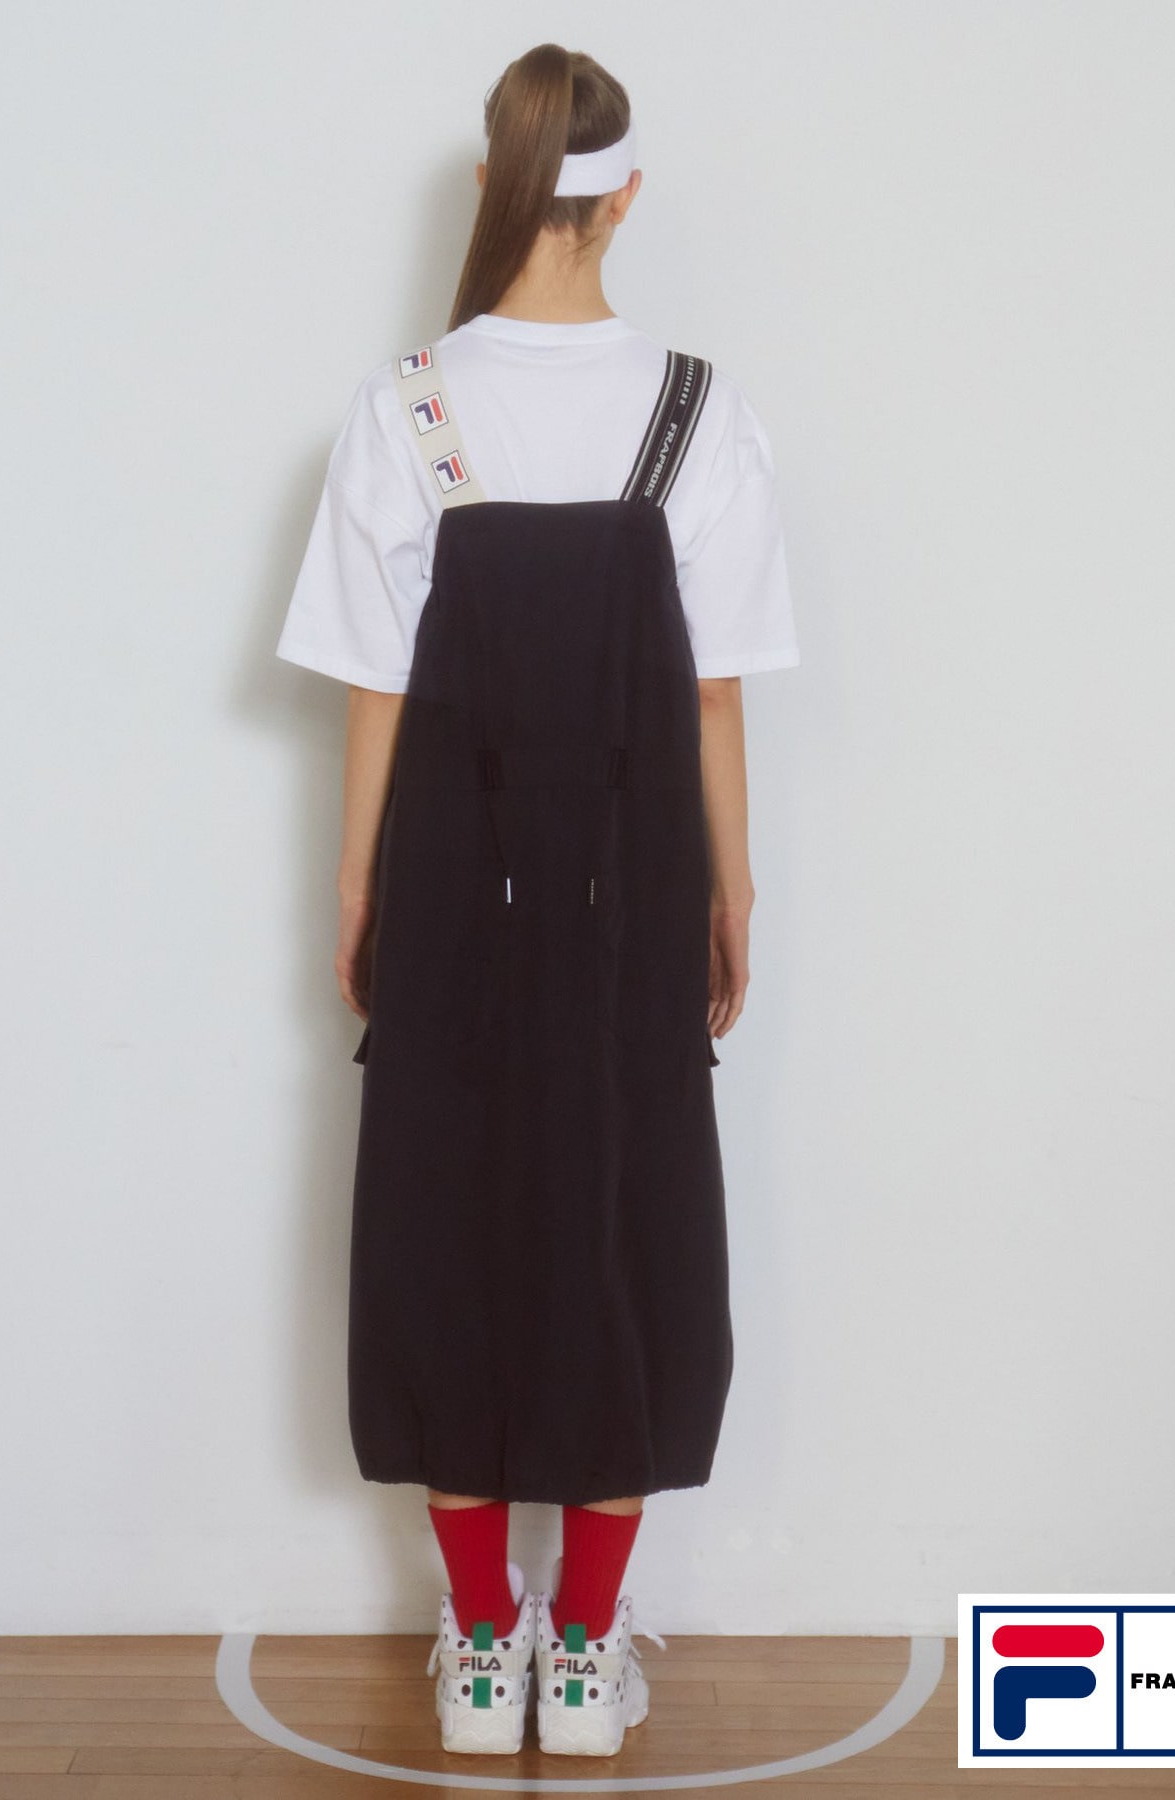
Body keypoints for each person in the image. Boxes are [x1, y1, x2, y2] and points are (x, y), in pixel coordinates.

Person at [275, 43, 799, 1758]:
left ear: (504, 182)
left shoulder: (409, 405)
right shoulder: (699, 411)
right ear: (624, 193)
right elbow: (714, 689)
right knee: (626, 1213)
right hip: (636, 883)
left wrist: (356, 887)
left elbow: (376, 688)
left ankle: (480, 1643)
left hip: (448, 874)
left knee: (445, 1214)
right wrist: (733, 886)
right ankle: (583, 1656)